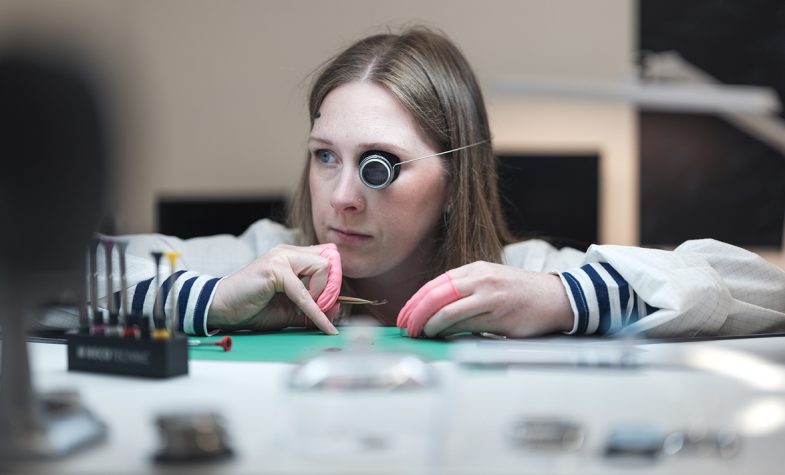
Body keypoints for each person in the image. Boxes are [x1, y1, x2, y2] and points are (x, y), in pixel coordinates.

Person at [113, 26, 785, 339]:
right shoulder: (257, 261)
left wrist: (563, 300)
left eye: (380, 165)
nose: (341, 196)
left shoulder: (521, 277)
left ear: (455, 178)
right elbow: (59, 274)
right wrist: (205, 299)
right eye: (324, 156)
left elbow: (764, 291)